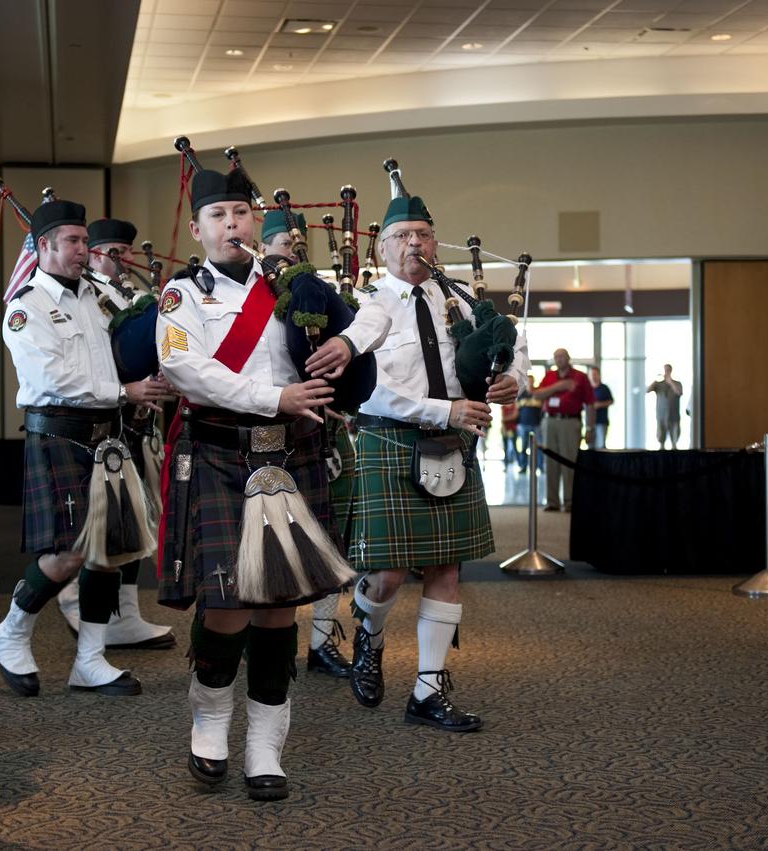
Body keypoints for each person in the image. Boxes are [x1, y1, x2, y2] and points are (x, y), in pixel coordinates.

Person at [156, 169, 387, 800]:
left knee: (278, 601)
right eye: (218, 216)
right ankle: (209, 718)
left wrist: (344, 341)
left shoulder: (291, 281)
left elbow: (379, 315)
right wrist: (273, 396)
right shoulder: (183, 296)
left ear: (255, 221)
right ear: (199, 228)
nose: (231, 225)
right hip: (221, 454)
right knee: (227, 603)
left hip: (292, 455)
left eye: (240, 213)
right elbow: (183, 368)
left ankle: (265, 743)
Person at [345, 193, 521, 733]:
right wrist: (443, 407)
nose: (414, 244)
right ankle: (369, 636)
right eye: (402, 235)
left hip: (452, 443)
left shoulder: (461, 297)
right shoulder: (365, 304)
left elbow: (510, 346)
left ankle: (428, 689)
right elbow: (368, 390)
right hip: (390, 441)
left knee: (447, 567)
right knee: (389, 575)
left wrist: (515, 380)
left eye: (422, 234)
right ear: (382, 245)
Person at [0, 200, 174, 700]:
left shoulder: (99, 294)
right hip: (59, 431)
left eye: (83, 241)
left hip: (107, 433)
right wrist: (125, 392)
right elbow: (54, 378)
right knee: (67, 554)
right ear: (43, 246)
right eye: (71, 241)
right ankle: (10, 629)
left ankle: (89, 659)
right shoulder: (26, 307)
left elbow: (129, 345)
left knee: (108, 549)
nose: (81, 250)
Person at [54, 216, 176, 650]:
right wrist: (128, 391)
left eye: (126, 253)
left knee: (134, 519)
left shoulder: (138, 297)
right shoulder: (82, 297)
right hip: (102, 422)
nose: (123, 260)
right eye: (114, 253)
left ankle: (124, 614)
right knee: (94, 522)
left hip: (140, 425)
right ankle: (70, 596)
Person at [260, 207, 352, 678]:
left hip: (315, 431)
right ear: (262, 246)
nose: (293, 250)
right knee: (270, 544)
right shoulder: (254, 296)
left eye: (298, 243)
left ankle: (320, 642)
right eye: (282, 241)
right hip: (263, 433)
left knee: (326, 540)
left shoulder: (316, 291)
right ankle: (270, 642)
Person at [533, 348, 593, 511]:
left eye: (562, 356)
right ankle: (552, 501)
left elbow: (590, 404)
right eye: (556, 357)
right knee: (550, 462)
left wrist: (589, 428)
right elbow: (537, 395)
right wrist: (559, 386)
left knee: (569, 461)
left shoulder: (580, 377)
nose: (559, 359)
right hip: (550, 422)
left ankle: (569, 501)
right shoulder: (549, 376)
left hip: (570, 422)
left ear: (568, 358)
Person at [648, 363, 683, 449]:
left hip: (673, 414)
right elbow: (648, 390)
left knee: (674, 435)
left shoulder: (677, 383)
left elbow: (679, 392)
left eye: (668, 370)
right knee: (661, 434)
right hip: (661, 414)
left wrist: (670, 382)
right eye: (665, 370)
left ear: (671, 371)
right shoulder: (658, 384)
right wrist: (656, 380)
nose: (666, 372)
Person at [515, 374, 542, 474]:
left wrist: (526, 403)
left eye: (531, 381)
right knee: (523, 447)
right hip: (523, 424)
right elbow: (516, 408)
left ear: (533, 381)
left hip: (537, 424)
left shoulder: (538, 393)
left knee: (539, 447)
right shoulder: (521, 394)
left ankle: (540, 467)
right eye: (528, 381)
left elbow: (541, 406)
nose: (529, 383)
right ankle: (523, 467)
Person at [587, 366, 613, 449]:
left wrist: (599, 405)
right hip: (589, 423)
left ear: (599, 375)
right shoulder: (587, 389)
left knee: (600, 446)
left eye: (595, 374)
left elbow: (611, 401)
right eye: (591, 374)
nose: (593, 376)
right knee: (590, 445)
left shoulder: (604, 388)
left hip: (601, 421)